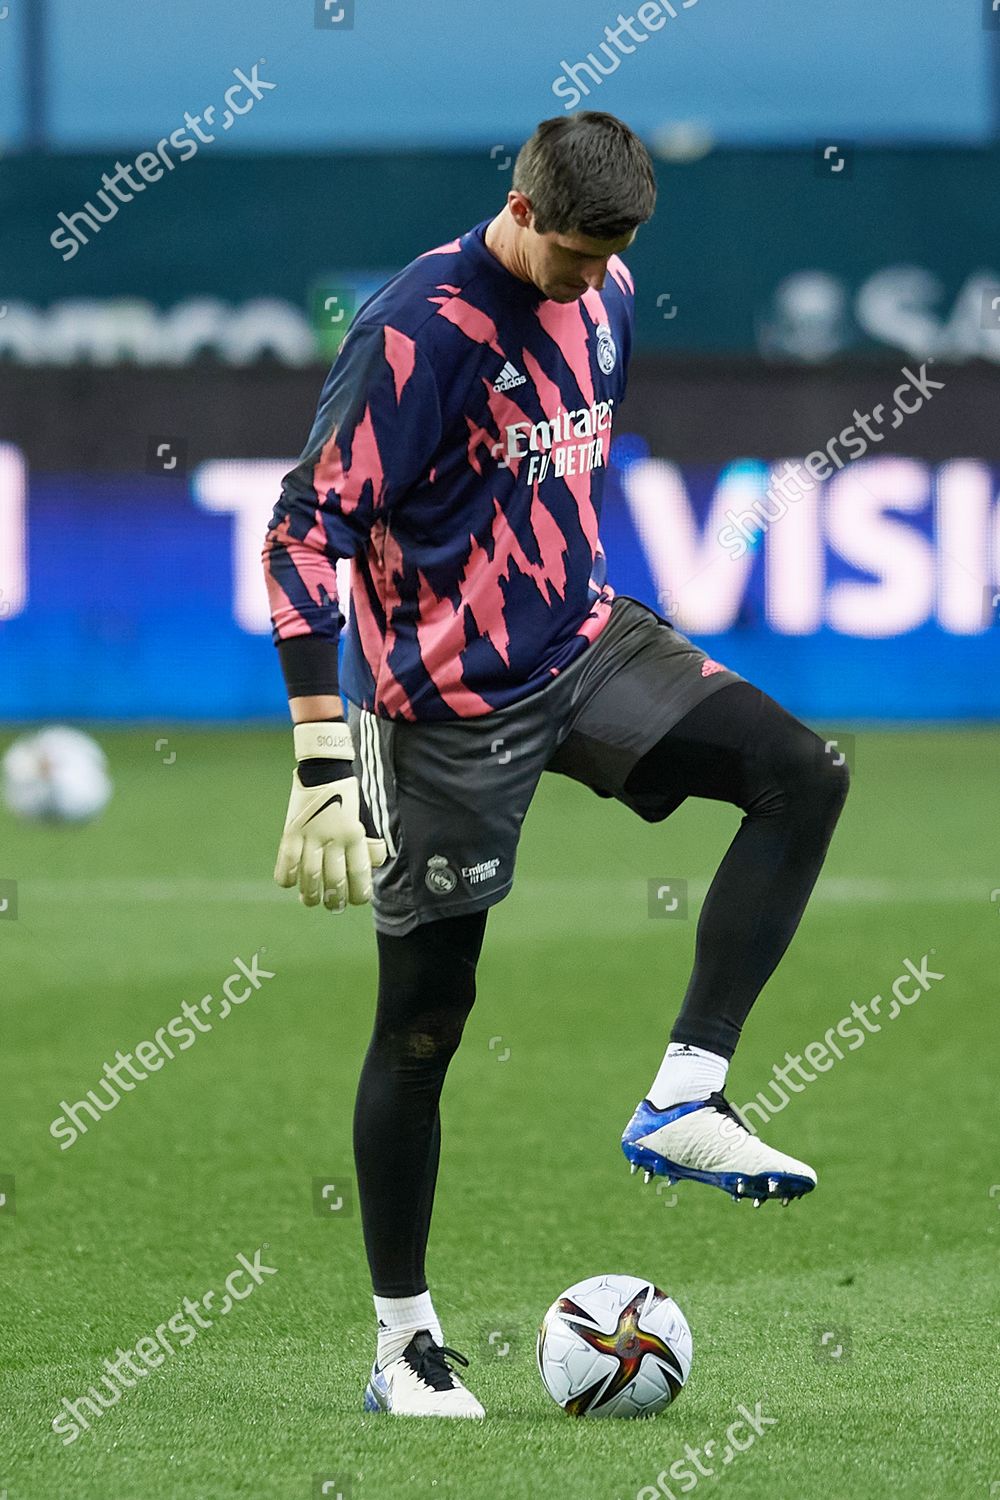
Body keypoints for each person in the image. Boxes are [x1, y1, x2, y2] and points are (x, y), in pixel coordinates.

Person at [262, 111, 849, 1419]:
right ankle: (403, 1345)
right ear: (522, 210)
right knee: (426, 1021)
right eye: (575, 255)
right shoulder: (414, 334)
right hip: (442, 708)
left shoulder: (612, 291)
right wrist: (319, 758)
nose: (591, 280)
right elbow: (304, 532)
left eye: (610, 259)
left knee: (803, 771)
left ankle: (686, 1094)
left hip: (586, 643)